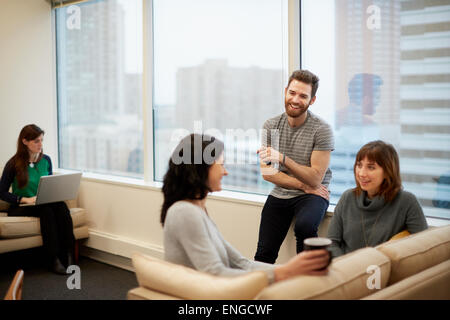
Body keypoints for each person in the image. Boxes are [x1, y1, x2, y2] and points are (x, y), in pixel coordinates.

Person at [161, 133, 330, 283]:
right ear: (201, 169)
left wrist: (293, 271)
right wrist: (284, 273)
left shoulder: (197, 211)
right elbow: (215, 273)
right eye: (221, 164)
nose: (225, 172)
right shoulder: (184, 213)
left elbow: (242, 263)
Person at [255, 70, 334, 263]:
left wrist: (283, 158)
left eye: (303, 96)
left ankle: (306, 283)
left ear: (312, 100)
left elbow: (316, 178)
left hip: (314, 195)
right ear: (285, 92)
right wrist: (303, 185)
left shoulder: (322, 130)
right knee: (264, 253)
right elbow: (268, 174)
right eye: (292, 93)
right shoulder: (271, 125)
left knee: (305, 226)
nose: (295, 99)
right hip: (285, 192)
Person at [327, 140, 428, 258]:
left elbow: (424, 247)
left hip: (383, 271)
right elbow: (331, 243)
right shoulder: (347, 198)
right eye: (359, 165)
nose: (362, 173)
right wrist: (347, 267)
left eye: (371, 167)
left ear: (387, 171)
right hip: (347, 270)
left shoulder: (406, 201)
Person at [0, 124, 75, 274]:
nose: (40, 144)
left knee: (61, 206)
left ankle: (68, 254)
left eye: (41, 140)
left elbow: (48, 184)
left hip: (41, 202)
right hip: (20, 207)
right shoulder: (13, 163)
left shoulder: (46, 160)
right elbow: (1, 192)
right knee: (46, 210)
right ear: (25, 141)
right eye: (36, 141)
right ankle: (52, 259)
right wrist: (24, 200)